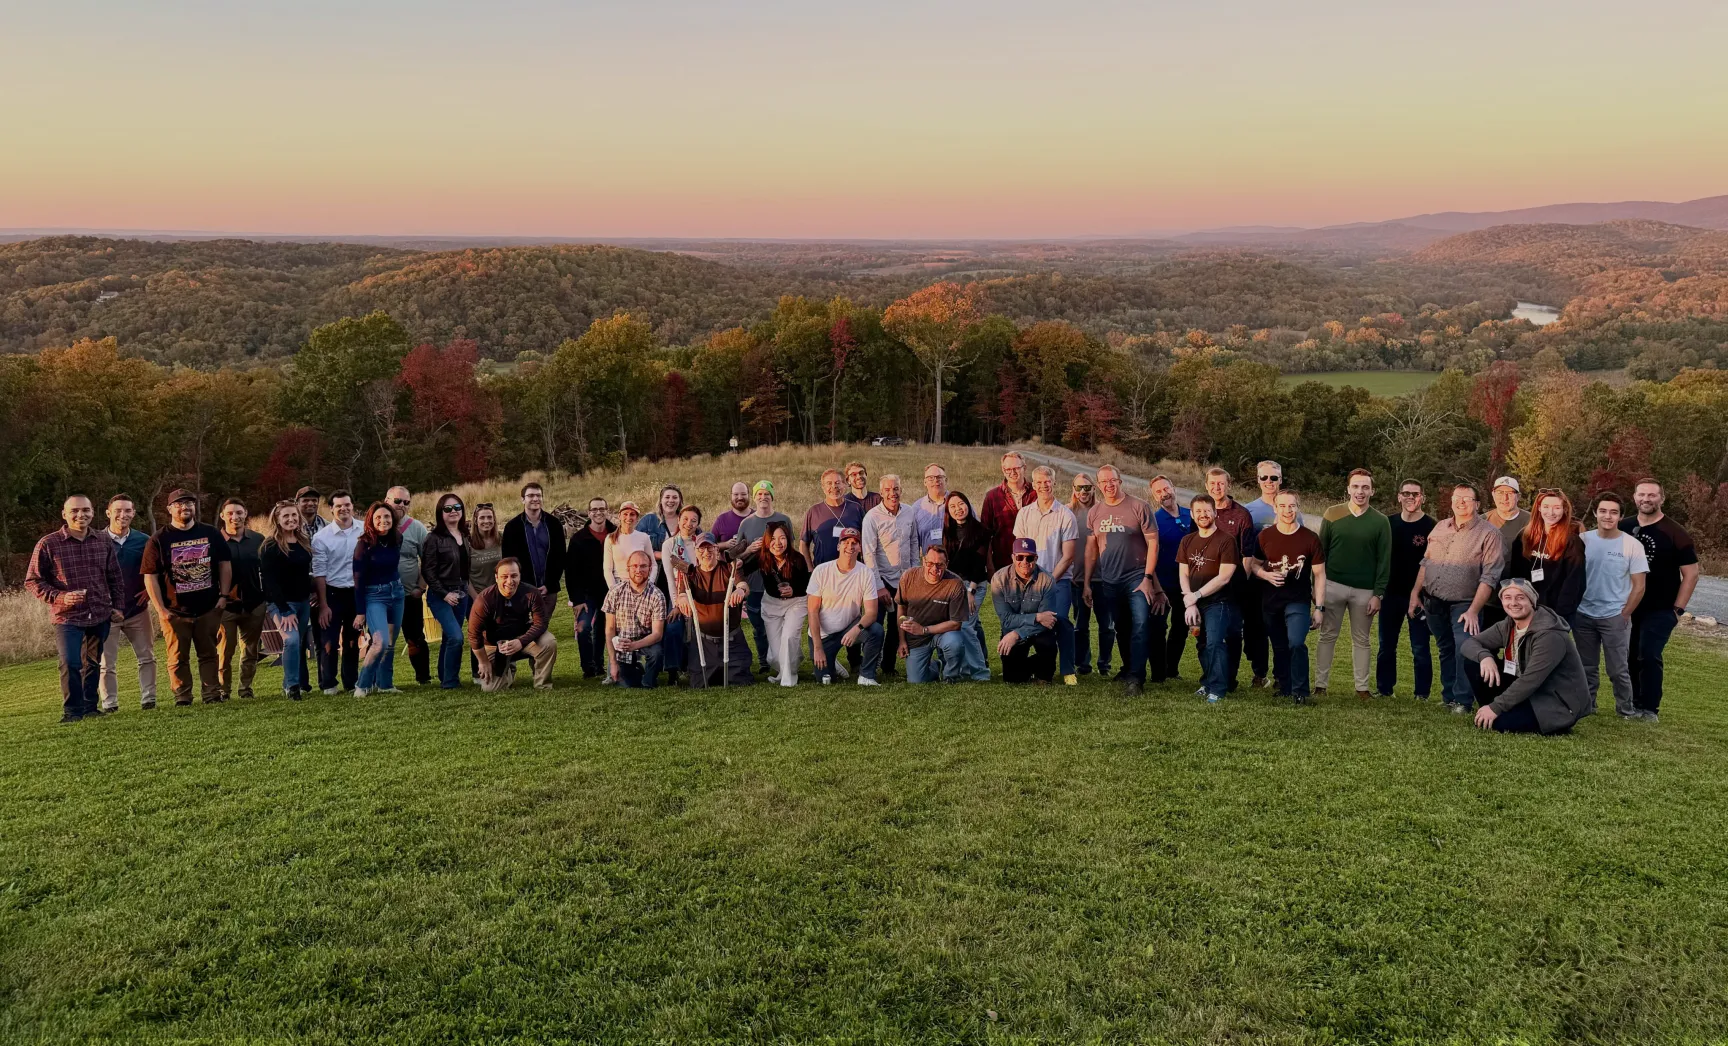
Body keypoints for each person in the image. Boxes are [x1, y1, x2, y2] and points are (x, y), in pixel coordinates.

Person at [26, 495, 124, 723]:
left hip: (100, 612)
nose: (81, 515)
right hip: (67, 616)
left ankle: (89, 707)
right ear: (64, 514)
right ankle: (72, 711)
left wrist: (118, 606)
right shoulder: (48, 543)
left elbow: (114, 577)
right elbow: (32, 581)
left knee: (92, 662)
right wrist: (60, 597)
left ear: (93, 511)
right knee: (70, 662)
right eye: (75, 511)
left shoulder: (102, 540)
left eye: (86, 510)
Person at [1408, 484, 1504, 715]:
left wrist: (1473, 610)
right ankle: (1449, 695)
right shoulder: (1441, 527)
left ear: (1478, 504)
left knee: (1465, 649)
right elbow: (1426, 562)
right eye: (1457, 498)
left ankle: (1463, 701)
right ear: (1451, 501)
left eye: (1467, 498)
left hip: (1465, 605)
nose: (1461, 502)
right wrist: (1415, 594)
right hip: (1433, 601)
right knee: (1445, 648)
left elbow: (1490, 577)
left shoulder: (1489, 534)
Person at [1459, 579, 1592, 734]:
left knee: (1499, 723)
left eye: (1520, 597)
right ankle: (1493, 709)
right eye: (1507, 597)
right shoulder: (1508, 624)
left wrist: (1496, 708)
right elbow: (1470, 644)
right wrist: (1484, 657)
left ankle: (1556, 723)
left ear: (1532, 601)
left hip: (1556, 701)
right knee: (1473, 661)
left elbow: (1531, 680)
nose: (1513, 603)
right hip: (1530, 691)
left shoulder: (1550, 635)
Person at [142, 489, 234, 706]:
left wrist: (223, 596)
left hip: (208, 608)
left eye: (189, 503)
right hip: (175, 612)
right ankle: (182, 696)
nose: (185, 507)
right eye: (179, 504)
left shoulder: (211, 534)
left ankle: (211, 694)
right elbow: (150, 577)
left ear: (195, 507)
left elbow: (224, 565)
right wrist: (161, 610)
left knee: (209, 654)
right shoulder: (159, 539)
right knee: (177, 658)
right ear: (170, 509)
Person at [1082, 464, 1166, 697]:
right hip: (1109, 580)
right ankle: (1129, 667)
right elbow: (1091, 551)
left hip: (1136, 577)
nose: (1109, 485)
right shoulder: (1095, 512)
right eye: (1104, 482)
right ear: (1098, 486)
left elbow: (1153, 544)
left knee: (1141, 624)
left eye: (1113, 480)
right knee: (1122, 627)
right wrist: (1088, 582)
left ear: (1120, 481)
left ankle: (1136, 678)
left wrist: (1148, 578)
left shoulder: (1139, 506)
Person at [1621, 479, 1699, 723]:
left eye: (1652, 495)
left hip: (1661, 608)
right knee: (1630, 654)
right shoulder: (1623, 527)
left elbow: (1691, 573)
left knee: (1649, 653)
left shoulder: (1675, 533)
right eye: (1642, 494)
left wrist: (1677, 609)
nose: (1647, 499)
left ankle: (1650, 709)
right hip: (1628, 605)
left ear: (1662, 499)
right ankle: (1633, 704)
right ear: (1634, 497)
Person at [1315, 469, 1391, 700]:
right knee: (1327, 635)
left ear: (1372, 491)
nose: (1360, 491)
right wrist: (1316, 588)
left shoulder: (1381, 521)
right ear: (1348, 489)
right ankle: (1320, 685)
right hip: (1332, 586)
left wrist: (1378, 593)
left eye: (1365, 487)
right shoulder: (1332, 514)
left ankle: (1362, 688)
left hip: (1365, 592)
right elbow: (1320, 553)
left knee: (1362, 639)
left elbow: (1384, 560)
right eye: (1356, 487)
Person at [1573, 491, 1647, 719]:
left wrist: (1624, 615)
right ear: (1595, 513)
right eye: (1603, 511)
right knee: (1587, 667)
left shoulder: (1632, 545)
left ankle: (1625, 709)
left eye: (1613, 512)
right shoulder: (1583, 541)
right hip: (1583, 615)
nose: (1608, 516)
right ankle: (1588, 705)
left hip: (1615, 616)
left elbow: (1639, 586)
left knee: (1618, 669)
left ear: (1620, 516)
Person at [1254, 489, 1327, 704]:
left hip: (1298, 599)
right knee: (1279, 645)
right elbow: (1253, 565)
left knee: (1296, 642)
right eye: (1283, 506)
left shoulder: (1310, 538)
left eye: (1292, 506)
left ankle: (1301, 692)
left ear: (1298, 507)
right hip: (1271, 600)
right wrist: (1266, 575)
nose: (1288, 510)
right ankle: (1285, 685)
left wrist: (1319, 607)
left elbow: (1320, 575)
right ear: (1275, 508)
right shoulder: (1265, 536)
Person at [1014, 466, 1081, 685]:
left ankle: (1068, 670)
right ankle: (1036, 668)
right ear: (1032, 484)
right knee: (1030, 623)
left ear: (1054, 482)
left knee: (1060, 620)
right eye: (1039, 482)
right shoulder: (1024, 514)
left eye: (1047, 481)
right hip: (1028, 581)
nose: (1043, 486)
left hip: (1057, 580)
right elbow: (1019, 551)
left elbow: (1069, 555)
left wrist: (1049, 579)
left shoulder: (1065, 515)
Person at [1205, 468, 1264, 691]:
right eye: (1212, 483)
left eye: (1221, 483)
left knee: (1232, 632)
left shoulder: (1241, 515)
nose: (1216, 487)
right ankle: (1209, 678)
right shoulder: (1202, 510)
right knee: (1207, 635)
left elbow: (1247, 555)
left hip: (1233, 585)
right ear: (1206, 485)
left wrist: (1239, 583)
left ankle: (1229, 679)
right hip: (1206, 583)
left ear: (1228, 485)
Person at [1179, 494, 1241, 704]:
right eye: (1198, 511)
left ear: (1215, 513)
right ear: (1192, 515)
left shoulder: (1226, 540)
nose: (1203, 515)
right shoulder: (1187, 541)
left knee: (1215, 642)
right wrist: (1190, 601)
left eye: (1207, 511)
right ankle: (1207, 683)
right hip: (1195, 602)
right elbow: (1183, 573)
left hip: (1219, 601)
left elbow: (1224, 577)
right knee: (1202, 643)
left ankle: (1218, 688)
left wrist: (1195, 596)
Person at [1377, 480, 1436, 700]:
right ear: (1399, 496)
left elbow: (1432, 563)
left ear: (1423, 498)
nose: (1411, 497)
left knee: (1420, 647)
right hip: (1390, 594)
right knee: (1386, 645)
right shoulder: (1387, 523)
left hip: (1419, 596)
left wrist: (1419, 593)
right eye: (1406, 493)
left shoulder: (1432, 526)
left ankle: (1422, 693)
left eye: (1416, 494)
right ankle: (1384, 689)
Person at [98, 493, 156, 712]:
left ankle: (149, 700)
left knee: (147, 657)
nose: (123, 515)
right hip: (107, 612)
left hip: (137, 610)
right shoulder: (96, 541)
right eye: (118, 510)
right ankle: (110, 704)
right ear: (108, 513)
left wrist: (149, 592)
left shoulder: (143, 541)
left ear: (133, 513)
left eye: (127, 511)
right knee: (106, 664)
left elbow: (155, 570)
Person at [807, 527, 883, 686]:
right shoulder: (821, 571)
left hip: (849, 628)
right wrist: (818, 648)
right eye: (846, 542)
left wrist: (857, 629)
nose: (850, 546)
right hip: (824, 635)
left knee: (876, 630)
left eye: (855, 543)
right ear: (838, 546)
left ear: (859, 548)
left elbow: (871, 613)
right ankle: (830, 659)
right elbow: (812, 612)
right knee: (825, 680)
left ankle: (866, 676)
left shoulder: (866, 573)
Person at [729, 480, 791, 675]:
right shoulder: (746, 523)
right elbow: (736, 556)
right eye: (759, 494)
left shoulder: (784, 520)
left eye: (766, 494)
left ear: (772, 496)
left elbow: (791, 550)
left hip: (778, 582)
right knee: (759, 627)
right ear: (754, 498)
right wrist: (750, 549)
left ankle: (782, 661)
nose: (763, 497)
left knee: (780, 625)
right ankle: (764, 661)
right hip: (755, 584)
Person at [469, 557, 558, 691]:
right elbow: (473, 634)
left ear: (520, 576)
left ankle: (542, 684)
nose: (509, 581)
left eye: (514, 576)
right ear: (496, 577)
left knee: (549, 641)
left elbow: (541, 623)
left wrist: (521, 641)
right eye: (504, 576)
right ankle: (507, 668)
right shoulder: (484, 600)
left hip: (522, 640)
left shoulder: (531, 593)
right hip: (493, 645)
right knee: (490, 689)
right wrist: (483, 661)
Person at [678, 534, 754, 687]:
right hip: (704, 641)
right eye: (702, 548)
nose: (706, 552)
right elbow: (681, 595)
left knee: (741, 681)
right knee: (698, 683)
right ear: (696, 552)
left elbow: (743, 586)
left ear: (717, 550)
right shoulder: (690, 574)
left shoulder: (729, 569)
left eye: (710, 548)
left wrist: (739, 591)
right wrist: (683, 599)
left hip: (731, 640)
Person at [742, 519, 811, 687]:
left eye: (782, 538)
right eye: (772, 539)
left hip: (796, 602)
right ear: (767, 541)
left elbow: (807, 584)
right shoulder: (762, 558)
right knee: (774, 652)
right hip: (771, 603)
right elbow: (740, 568)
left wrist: (793, 590)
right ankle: (787, 667)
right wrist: (743, 556)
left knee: (788, 638)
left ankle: (788, 678)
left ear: (788, 539)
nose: (777, 543)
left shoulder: (798, 559)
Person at [861, 474, 916, 679]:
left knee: (897, 624)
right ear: (881, 492)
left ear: (901, 490)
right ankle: (870, 666)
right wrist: (878, 586)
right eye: (887, 490)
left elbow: (913, 543)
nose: (892, 493)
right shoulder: (872, 517)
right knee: (875, 625)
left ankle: (888, 666)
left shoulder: (909, 512)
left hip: (904, 579)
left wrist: (914, 573)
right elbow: (868, 553)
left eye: (896, 489)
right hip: (881, 579)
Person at [261, 500, 315, 700]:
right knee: (291, 640)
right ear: (277, 519)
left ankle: (289, 683)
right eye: (286, 516)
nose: (291, 519)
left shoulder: (303, 542)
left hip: (303, 602)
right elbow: (270, 582)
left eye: (294, 515)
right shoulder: (270, 547)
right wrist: (284, 610)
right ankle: (292, 686)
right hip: (282, 604)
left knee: (298, 642)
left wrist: (314, 592)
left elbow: (304, 574)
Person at [1506, 489, 1586, 623]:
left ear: (1564, 509)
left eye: (1557, 507)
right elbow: (1516, 574)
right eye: (1546, 507)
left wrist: (1560, 615)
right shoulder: (1525, 536)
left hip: (1556, 614)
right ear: (1538, 508)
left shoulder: (1572, 542)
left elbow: (1575, 583)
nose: (1551, 512)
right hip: (1526, 608)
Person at [216, 497, 268, 700]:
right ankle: (223, 690)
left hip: (255, 603)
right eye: (230, 513)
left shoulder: (258, 539)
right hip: (226, 606)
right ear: (223, 516)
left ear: (245, 513)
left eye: (239, 512)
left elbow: (266, 570)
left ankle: (245, 689)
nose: (234, 517)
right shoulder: (215, 541)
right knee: (225, 651)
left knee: (250, 650)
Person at [352, 501, 404, 697]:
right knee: (380, 641)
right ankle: (362, 684)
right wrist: (360, 611)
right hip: (374, 595)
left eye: (387, 516)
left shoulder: (397, 538)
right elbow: (357, 579)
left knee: (390, 641)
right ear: (371, 521)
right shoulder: (363, 544)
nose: (383, 520)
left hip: (397, 592)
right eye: (378, 518)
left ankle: (385, 684)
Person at [311, 490, 362, 694]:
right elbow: (320, 573)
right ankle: (329, 683)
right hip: (332, 593)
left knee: (352, 640)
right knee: (329, 642)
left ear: (352, 506)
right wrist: (323, 605)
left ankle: (351, 682)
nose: (344, 509)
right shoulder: (321, 538)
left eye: (347, 505)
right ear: (331, 508)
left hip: (356, 593)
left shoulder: (363, 530)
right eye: (339, 506)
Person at [942, 491, 995, 682]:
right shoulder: (947, 531)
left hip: (974, 585)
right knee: (959, 627)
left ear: (968, 504)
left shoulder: (981, 530)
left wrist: (970, 591)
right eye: (953, 506)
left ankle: (980, 672)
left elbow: (979, 563)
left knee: (966, 627)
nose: (958, 509)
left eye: (961, 504)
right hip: (953, 586)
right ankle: (963, 670)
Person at [422, 492, 473, 689]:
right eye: (448, 509)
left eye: (457, 508)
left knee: (450, 637)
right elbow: (427, 570)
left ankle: (445, 676)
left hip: (462, 592)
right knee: (456, 637)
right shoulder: (433, 538)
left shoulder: (465, 535)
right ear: (440, 512)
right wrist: (444, 594)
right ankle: (451, 682)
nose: (453, 512)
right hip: (440, 595)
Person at [897, 545, 970, 683]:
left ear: (946, 564)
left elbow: (956, 623)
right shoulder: (908, 577)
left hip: (944, 632)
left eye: (939, 565)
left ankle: (951, 676)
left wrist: (924, 629)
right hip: (916, 637)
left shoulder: (955, 584)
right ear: (923, 561)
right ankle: (937, 666)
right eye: (930, 563)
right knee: (916, 681)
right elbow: (901, 609)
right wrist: (902, 640)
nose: (934, 569)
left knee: (954, 642)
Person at [991, 537, 1058, 684]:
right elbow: (1006, 619)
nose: (1024, 562)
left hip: (1036, 631)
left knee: (1047, 642)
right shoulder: (999, 579)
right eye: (1020, 557)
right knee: (1012, 679)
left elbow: (1047, 621)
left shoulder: (1047, 580)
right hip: (1012, 627)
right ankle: (1025, 669)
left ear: (1036, 558)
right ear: (1013, 557)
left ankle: (1044, 674)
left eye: (1029, 558)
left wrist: (1017, 634)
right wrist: (1037, 616)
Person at [1149, 476, 1195, 682]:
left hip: (1187, 585)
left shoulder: (1191, 515)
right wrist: (1155, 586)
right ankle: (1158, 672)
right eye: (1158, 491)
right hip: (1163, 584)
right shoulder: (1154, 521)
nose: (1164, 494)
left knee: (1181, 627)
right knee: (1158, 627)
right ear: (1154, 496)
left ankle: (1172, 669)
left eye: (1166, 488)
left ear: (1174, 488)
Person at [386, 486, 433, 687]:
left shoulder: (417, 528)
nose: (402, 506)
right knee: (381, 640)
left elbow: (428, 561)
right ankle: (381, 680)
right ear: (386, 500)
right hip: (381, 596)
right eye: (397, 501)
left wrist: (420, 588)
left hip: (409, 595)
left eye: (406, 502)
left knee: (415, 638)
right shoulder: (375, 525)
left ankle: (423, 678)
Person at [602, 550, 668, 688]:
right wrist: (613, 663)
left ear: (650, 569)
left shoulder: (657, 595)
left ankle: (648, 681)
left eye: (643, 566)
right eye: (635, 566)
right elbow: (609, 629)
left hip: (646, 641)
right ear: (628, 568)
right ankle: (633, 670)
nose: (638, 570)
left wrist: (634, 646)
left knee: (656, 653)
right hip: (622, 643)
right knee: (627, 684)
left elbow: (657, 634)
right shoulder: (615, 592)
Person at [566, 497, 615, 680]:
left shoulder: (615, 534)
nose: (598, 512)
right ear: (589, 512)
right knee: (583, 627)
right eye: (594, 509)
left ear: (607, 511)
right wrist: (577, 600)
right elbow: (570, 572)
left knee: (604, 629)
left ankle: (599, 665)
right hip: (586, 594)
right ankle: (588, 666)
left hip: (609, 592)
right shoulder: (579, 539)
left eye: (602, 509)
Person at [659, 504, 705, 686]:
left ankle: (695, 667)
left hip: (699, 596)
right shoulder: (669, 545)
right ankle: (673, 670)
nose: (689, 523)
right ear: (679, 520)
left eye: (694, 520)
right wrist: (677, 604)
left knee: (699, 629)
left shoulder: (700, 543)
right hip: (677, 595)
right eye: (685, 519)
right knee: (672, 628)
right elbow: (670, 578)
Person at [502, 482, 567, 603]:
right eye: (531, 495)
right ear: (523, 499)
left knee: (543, 622)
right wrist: (524, 587)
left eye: (538, 495)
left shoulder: (554, 524)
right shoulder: (512, 527)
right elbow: (508, 561)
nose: (535, 498)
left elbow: (560, 557)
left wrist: (549, 585)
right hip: (522, 591)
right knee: (524, 622)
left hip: (549, 590)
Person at [1068, 472, 1106, 676]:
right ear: (1073, 489)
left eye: (1087, 487)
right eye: (1079, 487)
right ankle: (1083, 664)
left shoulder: (1103, 511)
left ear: (1094, 489)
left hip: (1103, 577)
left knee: (1106, 625)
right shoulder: (1067, 513)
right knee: (1080, 624)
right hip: (1077, 578)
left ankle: (1105, 664)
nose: (1083, 491)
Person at [980, 451, 1036, 574]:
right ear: (1003, 470)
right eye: (1008, 469)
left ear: (1024, 468)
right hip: (1003, 564)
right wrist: (989, 566)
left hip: (1033, 563)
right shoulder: (992, 497)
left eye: (1016, 468)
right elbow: (985, 536)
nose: (1012, 472)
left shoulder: (1036, 494)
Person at [467, 502, 504, 675]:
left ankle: (501, 668)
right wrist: (478, 598)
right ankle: (478, 672)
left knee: (499, 632)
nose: (486, 521)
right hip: (477, 596)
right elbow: (464, 577)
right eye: (482, 517)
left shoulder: (501, 539)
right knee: (478, 634)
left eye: (489, 517)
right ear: (475, 520)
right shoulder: (468, 543)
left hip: (500, 596)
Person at [803, 468, 865, 568]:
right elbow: (804, 544)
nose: (834, 487)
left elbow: (865, 540)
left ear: (844, 484)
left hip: (851, 570)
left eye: (837, 482)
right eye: (829, 483)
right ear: (823, 487)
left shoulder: (856, 509)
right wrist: (810, 569)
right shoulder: (814, 512)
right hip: (822, 571)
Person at [603, 501, 658, 598]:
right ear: (619, 516)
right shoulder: (610, 539)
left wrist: (649, 584)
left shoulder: (644, 537)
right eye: (625, 514)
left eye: (632, 514)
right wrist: (614, 590)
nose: (628, 518)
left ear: (637, 518)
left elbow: (653, 564)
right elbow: (607, 569)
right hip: (619, 585)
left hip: (640, 586)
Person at [1246, 460, 1301, 530]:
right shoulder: (1247, 510)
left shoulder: (1292, 511)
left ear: (1280, 480)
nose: (1268, 481)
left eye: (1273, 478)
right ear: (1258, 479)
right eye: (1264, 477)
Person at [910, 463, 950, 554]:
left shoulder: (958, 503)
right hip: (931, 564)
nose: (935, 480)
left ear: (946, 480)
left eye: (939, 477)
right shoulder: (916, 509)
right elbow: (913, 543)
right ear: (925, 482)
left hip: (957, 564)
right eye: (930, 478)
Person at [637, 485, 684, 552]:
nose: (671, 500)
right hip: (654, 562)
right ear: (661, 501)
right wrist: (660, 555)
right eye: (667, 497)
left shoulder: (687, 520)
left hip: (681, 562)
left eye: (675, 497)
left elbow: (700, 543)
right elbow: (635, 544)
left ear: (679, 501)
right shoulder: (649, 519)